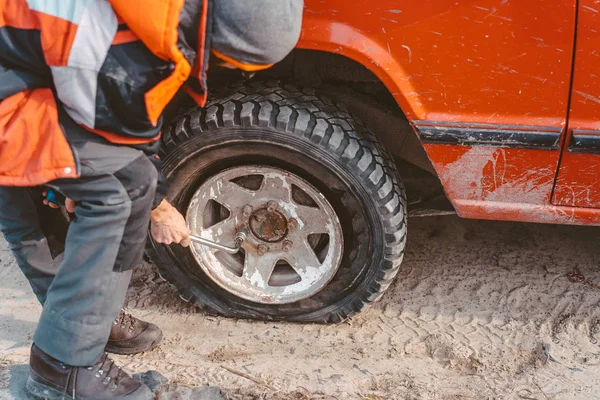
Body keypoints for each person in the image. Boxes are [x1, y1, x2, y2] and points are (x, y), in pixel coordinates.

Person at [0, 1, 303, 398]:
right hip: (14, 91)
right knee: (118, 194)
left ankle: (86, 319)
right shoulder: (126, 58)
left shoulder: (151, 18)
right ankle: (64, 365)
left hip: (30, 70)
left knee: (109, 185)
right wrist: (160, 210)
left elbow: (114, 131)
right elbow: (125, 149)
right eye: (229, 63)